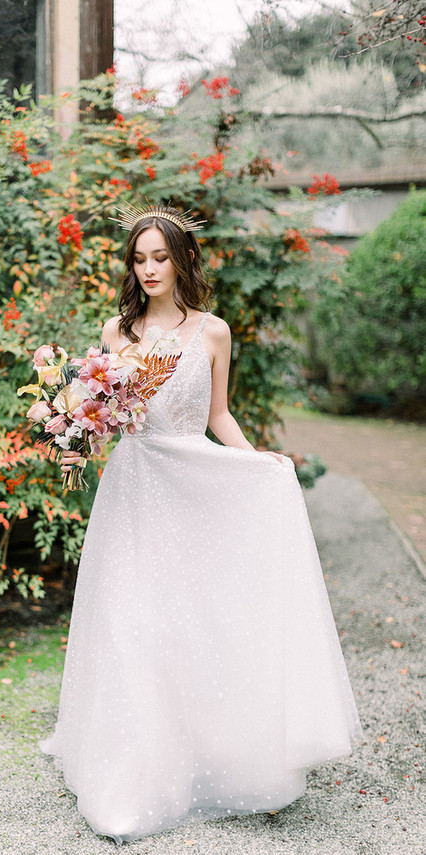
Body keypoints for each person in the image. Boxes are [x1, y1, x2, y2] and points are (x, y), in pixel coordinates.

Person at [39, 203, 362, 844]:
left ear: (183, 259)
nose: (149, 268)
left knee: (194, 618)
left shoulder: (213, 332)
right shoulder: (116, 334)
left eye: (161, 256)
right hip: (133, 486)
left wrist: (257, 464)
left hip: (192, 485)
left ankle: (203, 752)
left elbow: (218, 414)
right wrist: (75, 435)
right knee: (132, 620)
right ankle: (132, 771)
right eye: (139, 258)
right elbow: (109, 416)